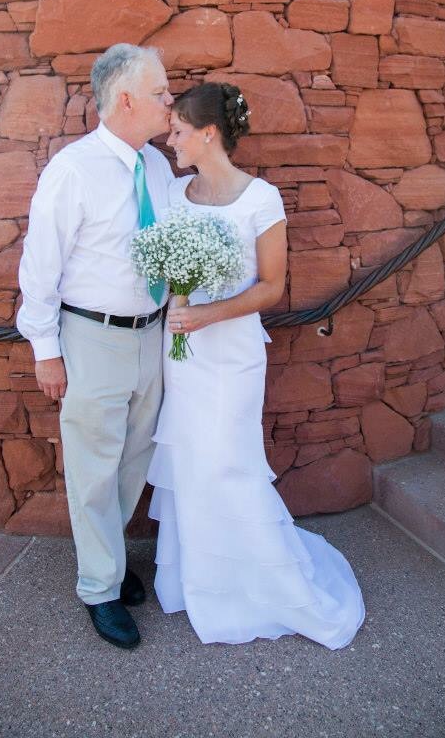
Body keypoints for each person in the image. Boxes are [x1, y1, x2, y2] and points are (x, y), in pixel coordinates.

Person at [148, 81, 366, 647]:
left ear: (208, 133)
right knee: (191, 457)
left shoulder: (260, 199)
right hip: (183, 353)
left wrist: (208, 312)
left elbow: (272, 286)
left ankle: (267, 583)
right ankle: (202, 580)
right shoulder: (172, 192)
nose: (170, 140)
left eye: (178, 131)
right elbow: (168, 270)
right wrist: (180, 296)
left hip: (232, 354)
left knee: (229, 459)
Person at [17, 43, 174, 650]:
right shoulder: (73, 170)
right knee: (92, 467)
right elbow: (41, 266)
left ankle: (110, 559)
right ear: (126, 99)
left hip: (151, 334)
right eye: (159, 92)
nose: (169, 101)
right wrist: (46, 350)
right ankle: (99, 587)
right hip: (91, 336)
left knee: (135, 458)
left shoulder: (156, 166)